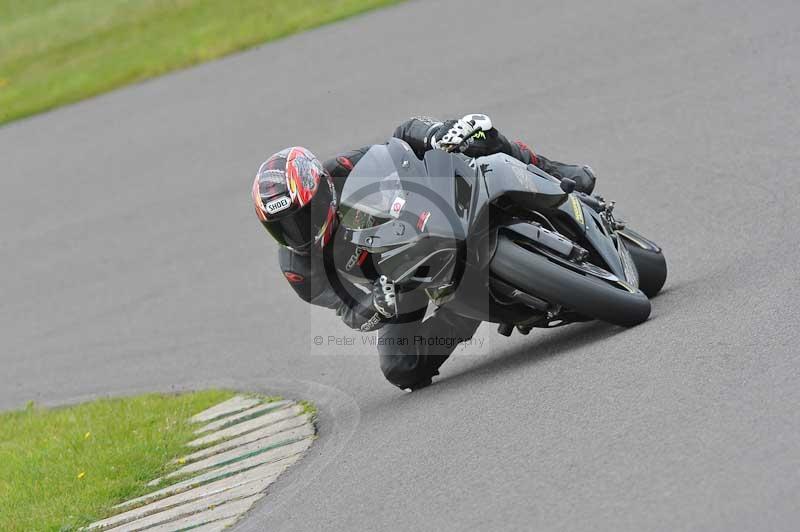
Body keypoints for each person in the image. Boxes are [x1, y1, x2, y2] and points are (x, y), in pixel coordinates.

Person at [251, 115, 596, 390]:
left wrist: (437, 133)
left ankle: (555, 172)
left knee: (477, 138)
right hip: (399, 284)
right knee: (400, 366)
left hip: (426, 220)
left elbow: (400, 140)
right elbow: (349, 310)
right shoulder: (300, 269)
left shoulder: (341, 170)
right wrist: (377, 305)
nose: (297, 231)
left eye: (302, 216)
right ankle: (465, 313)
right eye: (282, 227)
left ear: (321, 188)